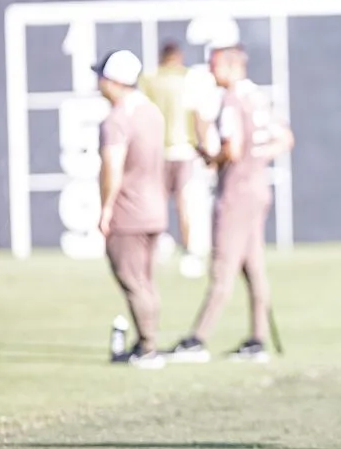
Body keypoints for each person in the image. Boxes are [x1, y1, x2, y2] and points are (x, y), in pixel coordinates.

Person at [165, 43, 294, 363]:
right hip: (257, 190)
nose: (211, 71)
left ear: (234, 67)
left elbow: (232, 150)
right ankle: (257, 340)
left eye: (216, 66)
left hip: (236, 195)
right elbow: (285, 138)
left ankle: (197, 339)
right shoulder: (257, 98)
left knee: (222, 268)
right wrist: (257, 158)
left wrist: (212, 158)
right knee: (253, 268)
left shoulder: (232, 101)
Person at [94, 49, 168, 369]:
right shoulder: (151, 112)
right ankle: (145, 342)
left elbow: (112, 166)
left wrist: (106, 208)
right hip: (154, 208)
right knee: (146, 281)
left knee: (133, 281)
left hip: (129, 211)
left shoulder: (117, 119)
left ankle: (149, 347)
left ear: (114, 81)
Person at [139, 41, 205, 278]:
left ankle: (157, 245)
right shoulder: (188, 79)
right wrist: (203, 144)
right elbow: (197, 115)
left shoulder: (150, 80)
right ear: (178, 56)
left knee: (157, 201)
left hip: (158, 149)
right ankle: (188, 251)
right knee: (184, 202)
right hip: (184, 150)